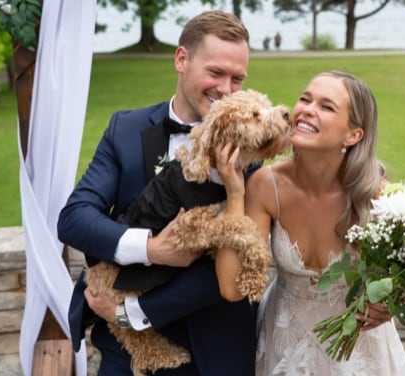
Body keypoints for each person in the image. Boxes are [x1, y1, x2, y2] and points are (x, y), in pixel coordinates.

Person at [57, 10, 256, 376]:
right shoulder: (126, 128)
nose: (226, 90)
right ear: (181, 59)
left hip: (212, 353)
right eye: (215, 73)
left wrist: (130, 314)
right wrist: (151, 249)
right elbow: (75, 219)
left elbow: (235, 262)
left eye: (237, 78)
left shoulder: (249, 149)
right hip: (125, 357)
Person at [215, 71, 405, 375]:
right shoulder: (266, 185)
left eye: (326, 106)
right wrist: (234, 192)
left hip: (361, 352)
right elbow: (232, 287)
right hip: (286, 349)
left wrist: (393, 302)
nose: (307, 109)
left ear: (353, 135)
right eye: (305, 99)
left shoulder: (380, 197)